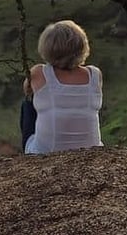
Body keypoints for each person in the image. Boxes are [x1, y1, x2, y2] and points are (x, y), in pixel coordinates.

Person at [20, 20, 103, 154]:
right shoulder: (95, 75)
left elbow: (27, 90)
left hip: (45, 152)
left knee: (27, 104)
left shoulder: (38, 73)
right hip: (92, 150)